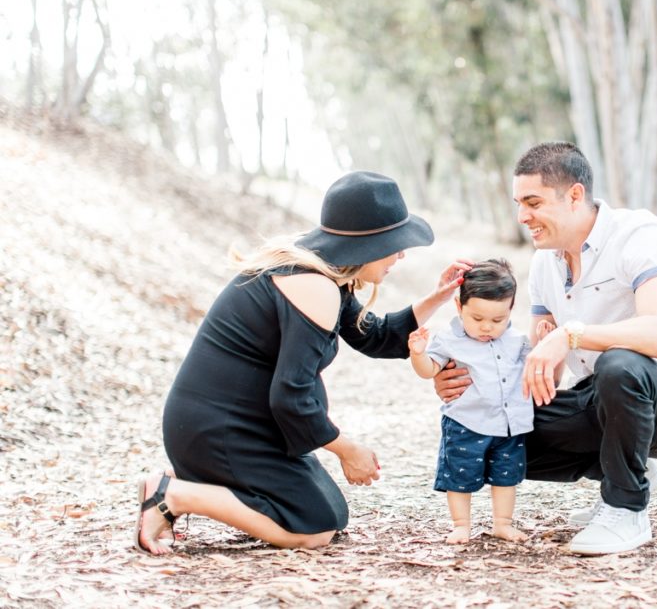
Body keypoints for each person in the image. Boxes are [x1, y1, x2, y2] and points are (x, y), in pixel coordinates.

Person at [135, 171, 471, 555]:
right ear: (369, 244)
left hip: (243, 424)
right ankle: (173, 495)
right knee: (310, 530)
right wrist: (347, 449)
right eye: (396, 245)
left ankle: (182, 478)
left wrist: (438, 298)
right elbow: (291, 397)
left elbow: (374, 336)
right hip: (216, 428)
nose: (401, 255)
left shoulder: (327, 274)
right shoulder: (312, 285)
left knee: (330, 513)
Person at [433, 142, 657, 555]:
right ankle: (627, 471)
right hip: (602, 405)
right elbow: (538, 373)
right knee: (491, 426)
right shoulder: (547, 262)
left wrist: (571, 334)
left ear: (575, 195)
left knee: (621, 365)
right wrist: (464, 381)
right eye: (518, 203)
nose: (522, 216)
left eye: (533, 202)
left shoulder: (640, 235)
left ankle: (626, 509)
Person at [407, 259, 533, 545]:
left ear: (510, 310)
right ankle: (461, 524)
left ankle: (502, 523)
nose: (487, 327)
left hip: (508, 426)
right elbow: (430, 371)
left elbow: (532, 371)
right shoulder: (449, 339)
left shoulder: (517, 341)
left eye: (497, 320)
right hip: (467, 422)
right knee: (460, 476)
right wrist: (418, 354)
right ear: (459, 307)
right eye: (477, 319)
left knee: (506, 477)